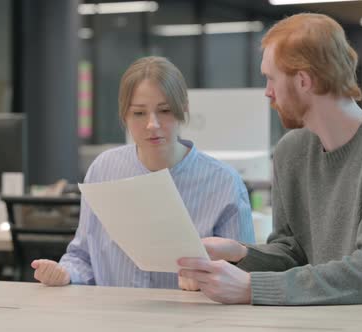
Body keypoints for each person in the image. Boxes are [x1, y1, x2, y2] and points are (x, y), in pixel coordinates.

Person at [178, 13, 362, 305]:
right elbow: (293, 253)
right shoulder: (291, 151)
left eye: (271, 78)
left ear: (303, 80)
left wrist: (252, 287)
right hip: (320, 316)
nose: (267, 92)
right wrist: (239, 253)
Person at [31, 56, 255, 289]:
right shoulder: (104, 169)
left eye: (165, 111)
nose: (152, 124)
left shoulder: (224, 183)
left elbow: (243, 273)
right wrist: (65, 272)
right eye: (139, 113)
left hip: (190, 321)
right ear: (124, 115)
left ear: (183, 110)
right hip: (111, 318)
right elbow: (83, 256)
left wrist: (207, 281)